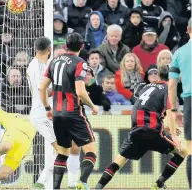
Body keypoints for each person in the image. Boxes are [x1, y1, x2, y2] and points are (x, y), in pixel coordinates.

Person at [96, 65, 188, 189]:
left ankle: (98, 187)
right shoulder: (168, 89)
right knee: (182, 152)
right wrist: (174, 135)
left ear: (159, 75)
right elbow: (171, 111)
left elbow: (146, 106)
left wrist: (163, 126)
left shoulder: (146, 87)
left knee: (119, 160)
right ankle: (158, 184)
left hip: (136, 130)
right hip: (152, 131)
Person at [39, 32, 99, 189]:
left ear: (65, 46)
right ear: (81, 47)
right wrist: (92, 106)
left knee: (63, 153)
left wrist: (47, 108)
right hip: (74, 113)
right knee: (91, 152)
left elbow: (42, 87)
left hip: (57, 114)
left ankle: (56, 187)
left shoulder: (54, 61)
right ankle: (83, 182)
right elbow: (80, 91)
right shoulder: (80, 63)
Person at [27, 37, 80, 189]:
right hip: (42, 115)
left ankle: (42, 183)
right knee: (64, 150)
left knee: (69, 147)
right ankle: (62, 184)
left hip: (50, 114)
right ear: (49, 49)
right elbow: (42, 90)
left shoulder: (43, 65)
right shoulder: (36, 67)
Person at [168, 18, 192, 189]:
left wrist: (174, 109)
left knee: (191, 149)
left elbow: (171, 86)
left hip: (189, 100)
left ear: (188, 30)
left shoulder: (179, 53)